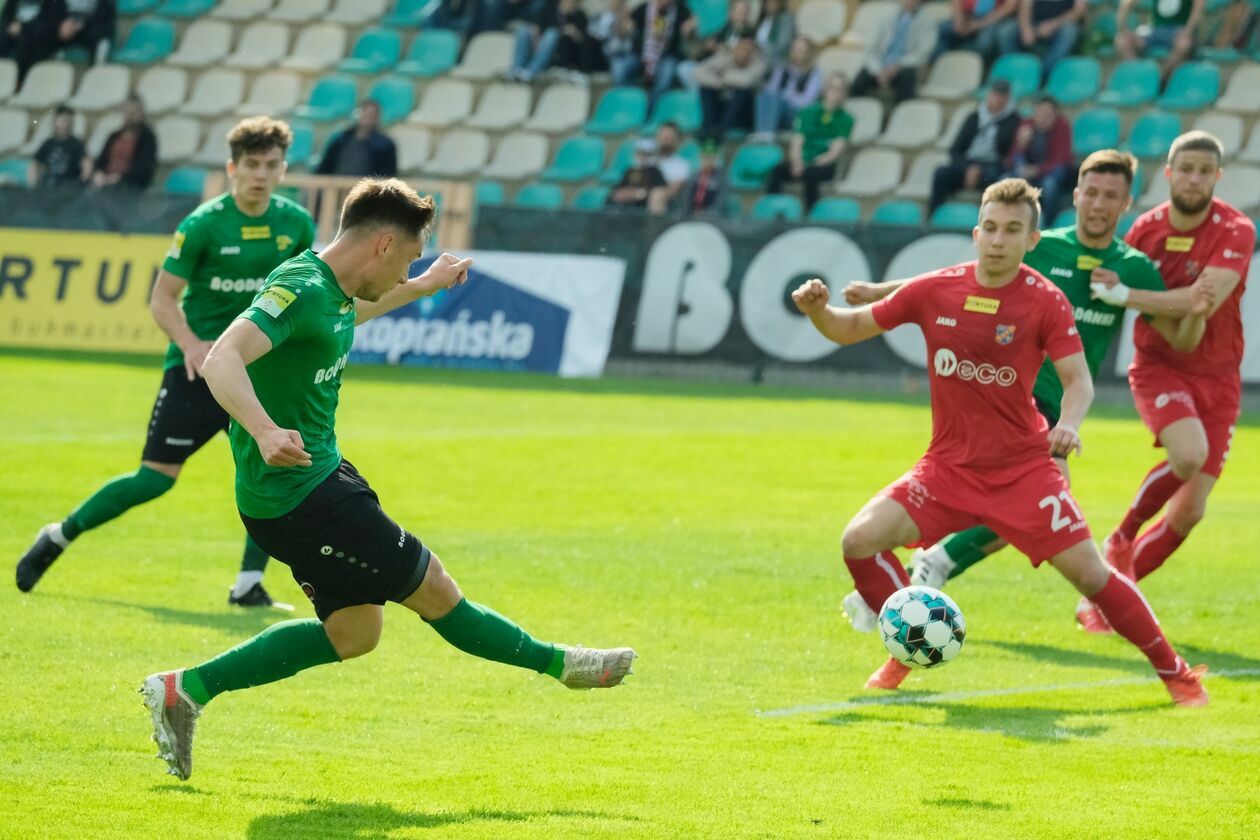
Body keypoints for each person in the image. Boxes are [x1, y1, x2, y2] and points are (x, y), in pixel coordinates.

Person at [140, 178, 637, 780]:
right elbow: (222, 356)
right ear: (381, 244)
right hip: (304, 497)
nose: (405, 273)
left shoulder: (333, 286)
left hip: (310, 487)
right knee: (435, 590)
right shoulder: (298, 287)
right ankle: (563, 665)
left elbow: (360, 309)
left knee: (355, 633)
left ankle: (184, 689)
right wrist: (266, 430)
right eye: (406, 260)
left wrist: (426, 283)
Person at [789, 177, 1209, 707]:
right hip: (946, 469)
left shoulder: (1044, 301)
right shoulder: (937, 288)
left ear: (1031, 240)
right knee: (858, 541)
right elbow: (849, 328)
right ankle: (907, 646)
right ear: (975, 231)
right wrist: (818, 312)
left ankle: (1176, 673)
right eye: (989, 228)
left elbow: (1078, 381)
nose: (997, 239)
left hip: (1024, 471)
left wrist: (1070, 424)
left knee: (1091, 575)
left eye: (1012, 230)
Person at [16, 118, 316, 608]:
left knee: (274, 470)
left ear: (283, 170)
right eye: (251, 165)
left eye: (270, 165)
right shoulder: (202, 225)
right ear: (232, 168)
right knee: (155, 477)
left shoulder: (295, 224)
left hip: (255, 371)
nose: (260, 174)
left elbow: (305, 292)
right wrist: (194, 345)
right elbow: (162, 300)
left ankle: (247, 585)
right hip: (196, 371)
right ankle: (59, 534)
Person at [1096, 131, 1255, 604]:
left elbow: (1200, 299)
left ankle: (1107, 600)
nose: (1193, 178)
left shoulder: (1236, 230)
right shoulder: (1143, 232)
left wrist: (1126, 296)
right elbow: (1181, 311)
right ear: (1168, 173)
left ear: (1217, 177)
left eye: (1204, 171)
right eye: (1185, 169)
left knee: (1190, 512)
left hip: (1220, 374)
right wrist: (1169, 305)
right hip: (1159, 364)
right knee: (1187, 456)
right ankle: (1122, 536)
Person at [765, 72, 852, 211]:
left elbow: (835, 151)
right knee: (776, 171)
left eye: (841, 90)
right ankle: (771, 210)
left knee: (811, 174)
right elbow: (797, 141)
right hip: (802, 160)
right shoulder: (807, 112)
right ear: (825, 90)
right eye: (833, 88)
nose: (836, 94)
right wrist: (797, 161)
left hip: (823, 164)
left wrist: (812, 163)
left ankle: (810, 215)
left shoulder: (846, 119)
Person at [929, 79, 1019, 213]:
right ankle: (935, 215)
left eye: (1003, 96)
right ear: (989, 95)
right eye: (996, 95)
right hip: (968, 162)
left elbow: (1007, 152)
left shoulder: (1014, 121)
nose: (998, 99)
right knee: (941, 173)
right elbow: (955, 149)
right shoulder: (974, 117)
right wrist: (968, 168)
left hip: (992, 165)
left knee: (995, 179)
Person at [849, 0, 937, 106]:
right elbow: (870, 48)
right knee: (860, 80)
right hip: (880, 63)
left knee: (906, 78)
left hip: (904, 65)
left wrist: (898, 65)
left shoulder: (928, 21)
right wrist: (878, 70)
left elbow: (923, 52)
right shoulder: (886, 15)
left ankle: (902, 116)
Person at [1003, 94, 1072, 225]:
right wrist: (1021, 146)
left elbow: (1062, 159)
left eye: (1047, 114)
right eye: (1039, 113)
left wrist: (1037, 170)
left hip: (1050, 173)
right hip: (1027, 171)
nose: (1042, 118)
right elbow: (1011, 159)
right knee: (1005, 179)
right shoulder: (1026, 125)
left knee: (1050, 185)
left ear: (1055, 115)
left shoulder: (1062, 126)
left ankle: (1049, 224)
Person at [612, 0, 695, 105]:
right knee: (620, 67)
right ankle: (625, 104)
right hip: (640, 55)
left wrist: (691, 28)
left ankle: (651, 108)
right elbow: (626, 31)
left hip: (667, 55)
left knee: (667, 73)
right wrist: (621, 18)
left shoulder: (681, 11)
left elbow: (690, 34)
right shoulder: (643, 9)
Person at [694, 34, 766, 142]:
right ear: (735, 48)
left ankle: (721, 132)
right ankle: (707, 129)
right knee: (706, 87)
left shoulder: (759, 62)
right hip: (723, 106)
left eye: (748, 49)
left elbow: (747, 81)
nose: (744, 53)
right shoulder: (726, 57)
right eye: (741, 48)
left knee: (743, 92)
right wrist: (719, 82)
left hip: (745, 114)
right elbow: (698, 71)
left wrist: (723, 76)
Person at [1114, 0, 1203, 84]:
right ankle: (1137, 76)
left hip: (1178, 30)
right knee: (1122, 41)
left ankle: (1160, 80)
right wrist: (1122, 27)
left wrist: (1188, 30)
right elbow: (1127, 3)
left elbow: (1197, 12)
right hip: (1154, 30)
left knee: (1184, 45)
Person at [996, 0, 1086, 82]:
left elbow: (1078, 11)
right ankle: (1015, 69)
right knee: (1006, 31)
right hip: (1034, 22)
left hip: (1060, 24)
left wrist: (1053, 25)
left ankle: (1044, 75)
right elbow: (1024, 7)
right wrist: (1026, 28)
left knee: (1069, 32)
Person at [753, 35, 822, 138]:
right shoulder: (782, 69)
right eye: (795, 48)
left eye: (801, 49)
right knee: (764, 96)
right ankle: (763, 133)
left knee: (776, 98)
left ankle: (765, 133)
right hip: (777, 110)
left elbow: (806, 102)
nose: (797, 52)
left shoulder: (814, 74)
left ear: (809, 53)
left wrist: (785, 97)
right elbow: (771, 90)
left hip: (796, 115)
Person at [86, 94, 156, 191]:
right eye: (127, 112)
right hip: (104, 184)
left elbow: (144, 170)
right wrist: (98, 173)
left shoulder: (148, 139)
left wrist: (119, 178)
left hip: (129, 187)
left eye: (134, 112)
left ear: (142, 114)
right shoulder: (113, 136)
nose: (130, 116)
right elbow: (101, 161)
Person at [509, 0, 589, 83]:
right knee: (523, 29)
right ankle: (516, 70)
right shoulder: (550, 8)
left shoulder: (580, 16)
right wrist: (536, 36)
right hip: (538, 46)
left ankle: (530, 72)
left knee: (552, 33)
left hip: (555, 56)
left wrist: (573, 31)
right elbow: (536, 26)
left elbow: (583, 41)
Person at [315, 100, 397, 178]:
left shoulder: (385, 146)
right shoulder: (340, 140)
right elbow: (325, 168)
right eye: (364, 113)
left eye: (371, 115)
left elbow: (388, 175)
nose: (366, 117)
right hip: (337, 189)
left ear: (377, 118)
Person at [0, 0, 65, 85]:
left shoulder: (54, 3)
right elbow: (6, 17)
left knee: (25, 43)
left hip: (36, 40)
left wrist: (23, 28)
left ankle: (18, 83)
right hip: (13, 34)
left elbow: (49, 25)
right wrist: (10, 26)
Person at [933, 0, 1017, 63]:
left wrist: (979, 24)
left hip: (992, 19)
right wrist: (958, 23)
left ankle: (974, 71)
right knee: (944, 29)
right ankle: (942, 67)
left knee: (984, 42)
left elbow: (1008, 8)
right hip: (968, 16)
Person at [29, 103, 86, 188]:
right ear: (55, 121)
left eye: (68, 120)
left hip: (68, 185)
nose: (65, 124)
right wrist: (33, 184)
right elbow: (35, 164)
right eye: (62, 120)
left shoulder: (77, 144)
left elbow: (86, 165)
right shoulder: (48, 143)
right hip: (48, 184)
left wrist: (80, 185)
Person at [606, 137, 666, 212]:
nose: (642, 157)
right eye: (639, 153)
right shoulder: (629, 170)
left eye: (645, 154)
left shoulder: (655, 172)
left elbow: (658, 190)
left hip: (642, 205)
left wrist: (638, 194)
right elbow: (620, 187)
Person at [681, 140, 724, 216]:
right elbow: (686, 199)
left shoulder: (722, 178)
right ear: (700, 157)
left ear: (716, 159)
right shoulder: (693, 176)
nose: (707, 160)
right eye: (705, 157)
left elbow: (720, 202)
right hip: (691, 215)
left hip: (711, 218)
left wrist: (706, 214)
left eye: (710, 157)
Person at [754, 0, 795, 66]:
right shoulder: (764, 18)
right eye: (768, 2)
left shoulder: (786, 19)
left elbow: (783, 45)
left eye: (774, 2)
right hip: (756, 58)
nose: (771, 5)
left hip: (773, 60)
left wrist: (760, 49)